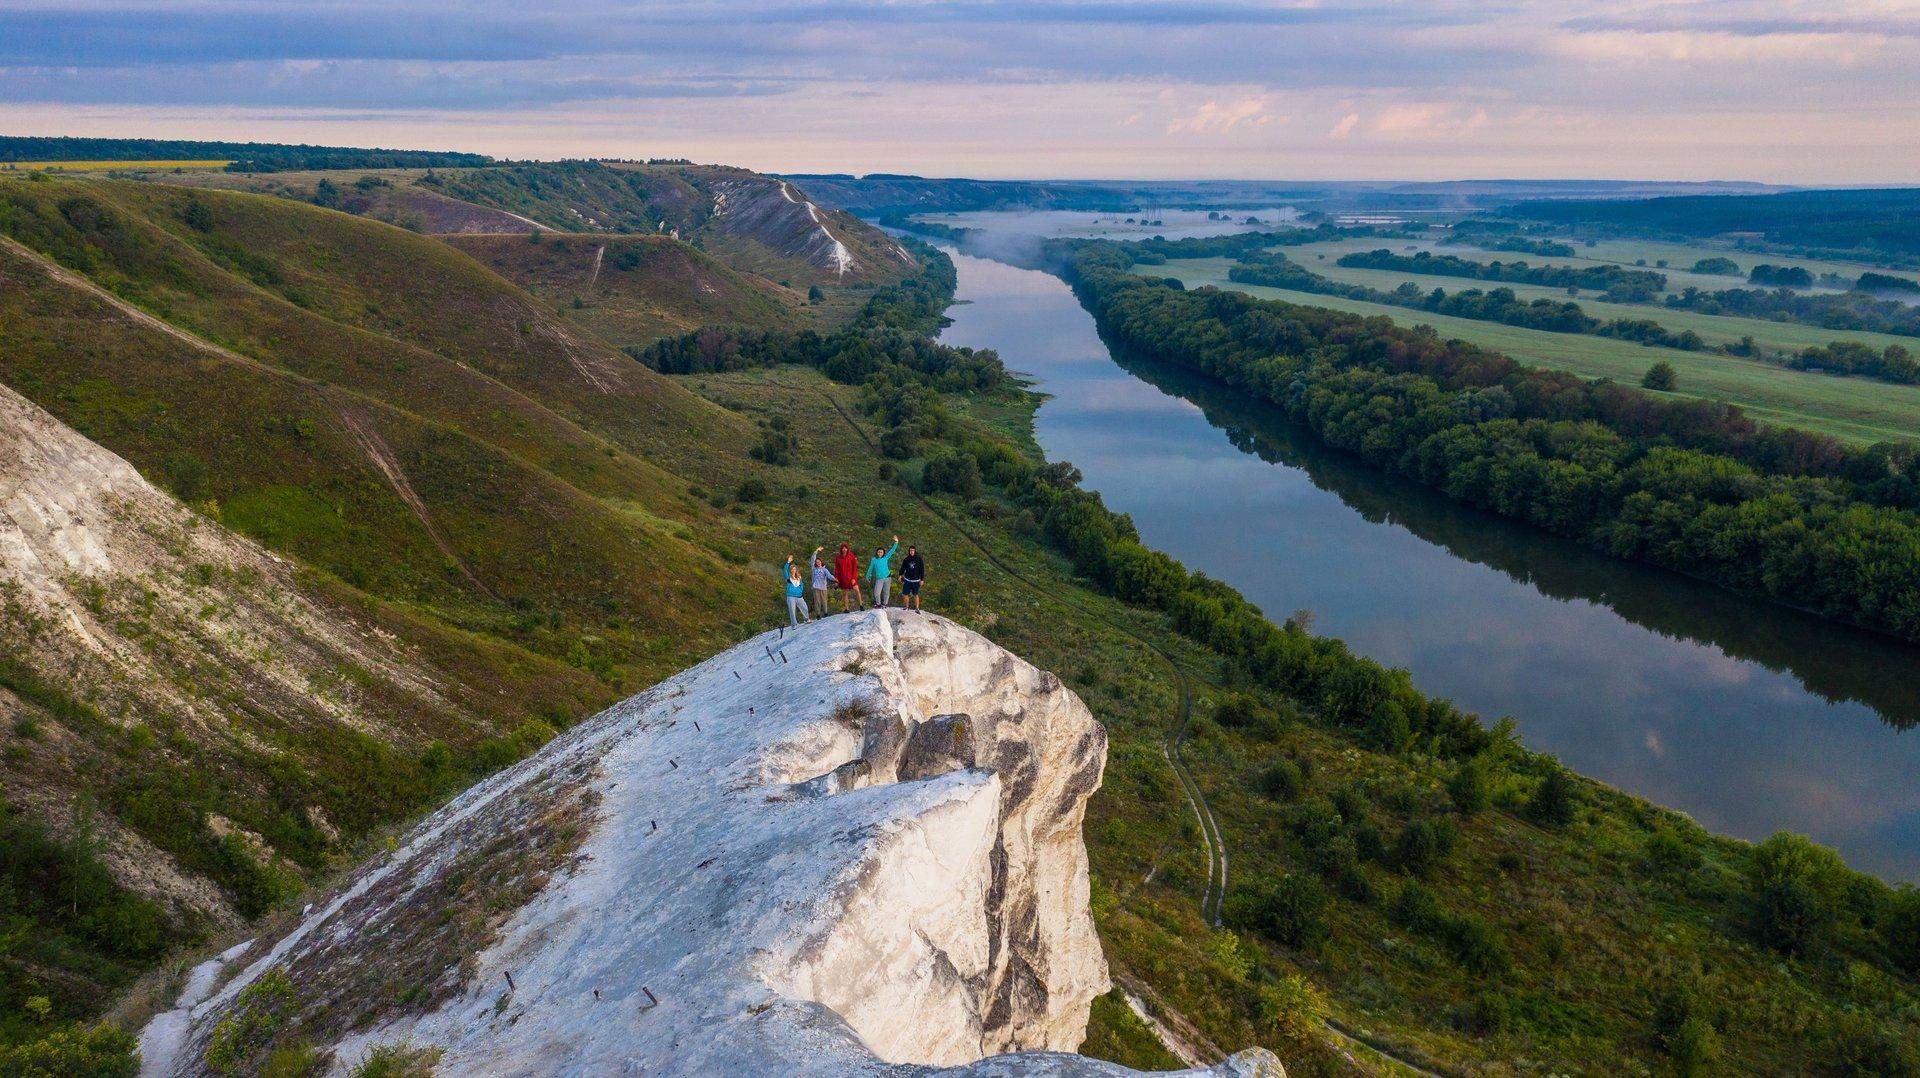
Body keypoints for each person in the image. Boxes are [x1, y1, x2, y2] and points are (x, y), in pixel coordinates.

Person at [865, 535, 899, 608]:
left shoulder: (886, 557)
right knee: (876, 593)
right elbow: (870, 568)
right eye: (879, 552)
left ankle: (885, 604)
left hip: (887, 577)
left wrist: (896, 542)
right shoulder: (874, 559)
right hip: (879, 579)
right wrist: (868, 576)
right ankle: (878, 604)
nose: (880, 553)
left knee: (886, 592)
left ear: (883, 553)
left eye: (881, 552)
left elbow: (892, 550)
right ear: (877, 552)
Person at [779, 554, 810, 627]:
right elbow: (784, 570)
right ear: (790, 570)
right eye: (792, 569)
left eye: (794, 569)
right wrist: (788, 562)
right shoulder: (788, 578)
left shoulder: (799, 577)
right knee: (792, 611)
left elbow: (801, 584)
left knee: (804, 607)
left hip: (799, 596)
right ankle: (794, 624)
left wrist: (801, 590)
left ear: (796, 570)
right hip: (791, 596)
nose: (793, 570)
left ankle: (806, 619)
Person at [833, 541, 864, 612]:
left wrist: (853, 578)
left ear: (847, 549)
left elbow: (855, 568)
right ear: (841, 549)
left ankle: (861, 605)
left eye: (845, 548)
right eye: (843, 548)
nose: (844, 549)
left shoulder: (851, 556)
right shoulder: (838, 558)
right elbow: (836, 569)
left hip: (851, 577)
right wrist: (836, 579)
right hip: (843, 578)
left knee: (857, 590)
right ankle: (847, 608)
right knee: (845, 593)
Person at [899, 545, 925, 610]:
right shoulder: (906, 559)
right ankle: (906, 607)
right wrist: (900, 575)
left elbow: (922, 569)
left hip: (916, 580)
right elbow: (902, 568)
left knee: (915, 594)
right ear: (909, 551)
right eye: (910, 550)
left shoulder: (919, 559)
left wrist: (922, 579)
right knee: (905, 594)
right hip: (907, 580)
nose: (911, 552)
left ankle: (917, 608)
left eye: (913, 550)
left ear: (915, 551)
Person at [809, 547, 833, 618]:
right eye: (817, 562)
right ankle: (818, 614)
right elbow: (812, 559)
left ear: (821, 562)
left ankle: (825, 613)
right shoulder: (814, 569)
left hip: (823, 587)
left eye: (819, 561)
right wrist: (816, 551)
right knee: (817, 602)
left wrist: (836, 579)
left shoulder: (824, 569)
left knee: (824, 601)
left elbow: (829, 576)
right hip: (816, 587)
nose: (818, 563)